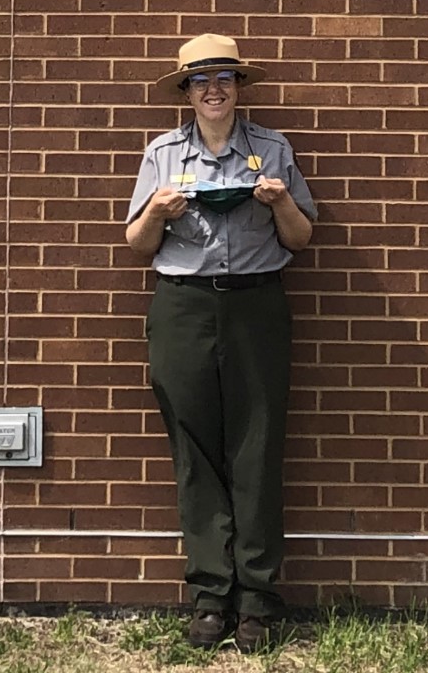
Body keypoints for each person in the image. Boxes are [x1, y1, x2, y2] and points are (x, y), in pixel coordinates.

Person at [125, 34, 316, 653]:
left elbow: (300, 238)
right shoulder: (162, 152)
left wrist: (280, 201)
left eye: (225, 78)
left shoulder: (272, 149)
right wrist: (157, 212)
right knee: (195, 445)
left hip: (257, 303)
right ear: (186, 91)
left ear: (239, 88)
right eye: (201, 80)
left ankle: (257, 600)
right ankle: (211, 596)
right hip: (183, 305)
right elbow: (138, 244)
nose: (214, 89)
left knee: (257, 444)